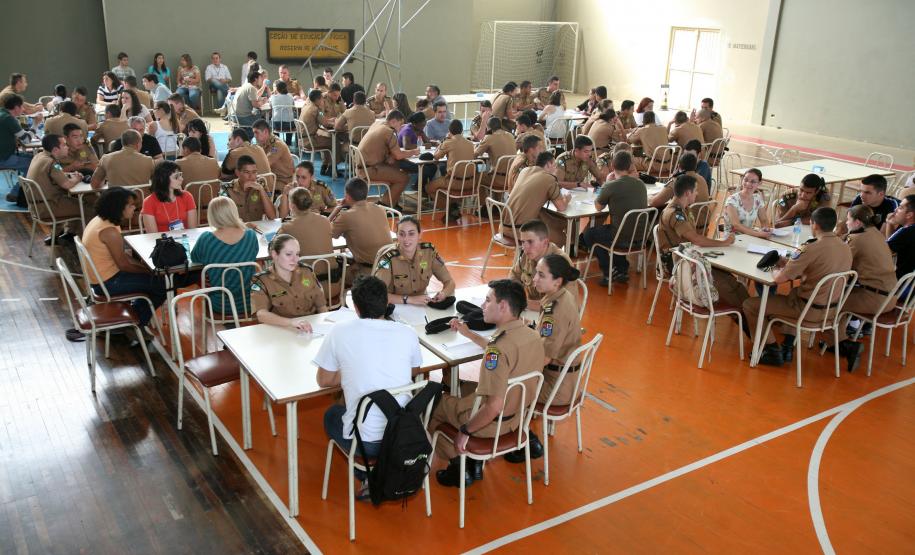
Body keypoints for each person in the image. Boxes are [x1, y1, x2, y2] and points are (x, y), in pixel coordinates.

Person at [428, 279, 545, 487]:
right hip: (517, 418)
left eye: (487, 300)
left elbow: (492, 407)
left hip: (491, 425)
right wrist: (468, 333)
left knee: (431, 404)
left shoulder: (497, 350)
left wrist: (465, 431)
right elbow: (499, 347)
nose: (483, 306)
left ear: (503, 306)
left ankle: (459, 463)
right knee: (460, 384)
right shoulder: (533, 336)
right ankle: (471, 463)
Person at [316, 275, 423, 495]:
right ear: (386, 303)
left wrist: (349, 370)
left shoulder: (339, 332)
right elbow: (414, 372)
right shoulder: (407, 333)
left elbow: (324, 380)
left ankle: (367, 476)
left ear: (355, 308)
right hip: (404, 433)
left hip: (369, 443)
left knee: (332, 414)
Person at [743, 207, 858, 369]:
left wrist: (777, 267)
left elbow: (779, 279)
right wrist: (791, 264)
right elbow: (820, 269)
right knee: (793, 293)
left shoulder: (811, 248)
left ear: (814, 225)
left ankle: (771, 351)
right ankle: (787, 347)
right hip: (832, 311)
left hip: (808, 310)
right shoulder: (845, 246)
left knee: (751, 305)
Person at [503, 254, 582, 463]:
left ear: (557, 281)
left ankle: (523, 442)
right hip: (567, 377)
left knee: (506, 384)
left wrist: (513, 359)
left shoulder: (553, 312)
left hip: (556, 387)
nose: (534, 279)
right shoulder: (563, 296)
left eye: (541, 275)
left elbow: (544, 359)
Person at [658, 175, 749, 309]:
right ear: (688, 193)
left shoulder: (684, 209)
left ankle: (746, 308)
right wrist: (724, 243)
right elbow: (696, 239)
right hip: (677, 262)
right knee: (724, 282)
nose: (697, 193)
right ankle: (743, 310)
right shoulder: (675, 213)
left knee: (726, 276)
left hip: (686, 256)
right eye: (695, 190)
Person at [82, 187, 166, 328]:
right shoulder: (109, 231)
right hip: (107, 284)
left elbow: (123, 258)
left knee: (155, 278)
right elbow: (124, 265)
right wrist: (149, 271)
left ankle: (132, 314)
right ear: (118, 208)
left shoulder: (100, 221)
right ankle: (135, 323)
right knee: (162, 285)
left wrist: (147, 268)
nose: (134, 208)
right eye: (130, 205)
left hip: (100, 278)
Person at [822, 204, 898, 350]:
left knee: (830, 302)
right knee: (842, 297)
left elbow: (839, 265)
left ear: (857, 222)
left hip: (874, 299)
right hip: (890, 296)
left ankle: (842, 345)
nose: (846, 222)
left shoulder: (857, 239)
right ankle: (838, 341)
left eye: (848, 219)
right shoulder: (874, 232)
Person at [581, 151, 649, 285]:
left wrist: (607, 184)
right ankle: (621, 268)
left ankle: (609, 271)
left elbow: (598, 207)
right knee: (618, 228)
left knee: (589, 234)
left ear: (612, 166)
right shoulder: (640, 184)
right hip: (641, 237)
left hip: (621, 238)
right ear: (630, 166)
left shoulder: (611, 186)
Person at [191, 197, 260, 315]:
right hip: (249, 302)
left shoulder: (206, 238)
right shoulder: (250, 235)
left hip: (220, 304)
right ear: (234, 213)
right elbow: (253, 253)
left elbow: (195, 258)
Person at [374, 215, 455, 305]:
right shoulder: (388, 258)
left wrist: (443, 294)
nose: (406, 239)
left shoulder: (428, 252)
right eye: (401, 234)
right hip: (396, 307)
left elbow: (450, 282)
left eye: (411, 233)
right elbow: (377, 295)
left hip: (421, 307)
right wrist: (409, 300)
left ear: (420, 234)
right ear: (397, 235)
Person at [251, 233, 327, 328]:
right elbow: (261, 314)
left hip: (311, 329)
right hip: (282, 330)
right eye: (288, 254)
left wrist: (325, 327)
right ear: (275, 254)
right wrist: (292, 323)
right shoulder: (262, 280)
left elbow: (321, 306)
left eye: (297, 254)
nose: (295, 259)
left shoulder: (306, 271)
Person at [329, 178, 392, 279]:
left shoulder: (347, 216)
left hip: (368, 274)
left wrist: (337, 209)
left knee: (333, 275)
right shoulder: (379, 209)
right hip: (389, 268)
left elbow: (326, 232)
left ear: (347, 196)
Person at [26, 133, 85, 241]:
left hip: (36, 206)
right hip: (48, 207)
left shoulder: (39, 156)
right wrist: (77, 179)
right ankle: (84, 242)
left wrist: (69, 176)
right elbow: (67, 185)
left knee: (72, 201)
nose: (67, 147)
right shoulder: (51, 163)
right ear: (55, 150)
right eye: (64, 145)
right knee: (86, 208)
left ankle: (66, 234)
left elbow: (56, 175)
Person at [355, 111, 417, 209]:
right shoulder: (388, 131)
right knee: (404, 178)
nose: (401, 127)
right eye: (400, 124)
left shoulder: (377, 123)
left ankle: (393, 201)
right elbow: (399, 155)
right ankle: (385, 205)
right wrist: (414, 152)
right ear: (393, 121)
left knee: (395, 167)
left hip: (363, 165)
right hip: (369, 170)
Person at [507, 152, 569, 246]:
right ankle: (538, 259)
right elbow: (562, 208)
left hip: (504, 225)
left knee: (554, 221)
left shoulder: (525, 171)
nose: (556, 169)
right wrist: (567, 198)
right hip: (520, 230)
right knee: (562, 238)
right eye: (555, 166)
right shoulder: (549, 178)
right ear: (548, 164)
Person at [509, 219, 574, 310]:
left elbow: (561, 305)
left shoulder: (561, 263)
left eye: (530, 242)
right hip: (532, 312)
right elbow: (515, 275)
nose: (524, 247)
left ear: (545, 242)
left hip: (555, 317)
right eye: (523, 242)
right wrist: (514, 294)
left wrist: (522, 303)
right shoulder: (528, 254)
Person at [278, 187, 337, 274]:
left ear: (292, 206)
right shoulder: (325, 220)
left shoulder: (288, 227)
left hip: (306, 281)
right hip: (332, 278)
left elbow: (272, 248)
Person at [141, 160, 197, 233]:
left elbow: (192, 230)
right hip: (162, 242)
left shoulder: (187, 196)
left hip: (185, 240)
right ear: (163, 179)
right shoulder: (149, 202)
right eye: (176, 177)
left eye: (180, 175)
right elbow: (153, 236)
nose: (181, 179)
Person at [91, 130, 155, 189]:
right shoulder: (148, 160)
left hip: (117, 200)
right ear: (138, 144)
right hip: (141, 199)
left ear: (122, 143)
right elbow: (157, 183)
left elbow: (94, 185)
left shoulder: (106, 158)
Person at [219, 155, 275, 222]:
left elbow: (272, 216)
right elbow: (222, 220)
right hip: (237, 230)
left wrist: (261, 190)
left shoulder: (261, 185)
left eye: (254, 172)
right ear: (237, 173)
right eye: (247, 172)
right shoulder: (226, 189)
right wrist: (244, 226)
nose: (251, 176)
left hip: (258, 228)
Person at [0, 95, 33, 204]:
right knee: (33, 164)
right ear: (16, 107)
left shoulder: (2, 113)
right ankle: (15, 193)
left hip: (5, 154)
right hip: (4, 157)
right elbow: (26, 140)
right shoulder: (9, 119)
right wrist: (36, 124)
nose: (23, 109)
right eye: (22, 107)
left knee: (33, 157)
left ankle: (20, 191)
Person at [298, 88, 338, 175]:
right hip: (310, 141)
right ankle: (331, 169)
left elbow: (323, 120)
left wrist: (330, 120)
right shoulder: (316, 110)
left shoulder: (307, 106)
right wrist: (336, 122)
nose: (323, 100)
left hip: (303, 139)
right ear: (318, 99)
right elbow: (325, 124)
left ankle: (324, 166)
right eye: (322, 98)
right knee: (334, 142)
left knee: (325, 139)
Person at [474, 117, 517, 199]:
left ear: (488, 127)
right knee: (489, 169)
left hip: (497, 179)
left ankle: (484, 206)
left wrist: (478, 146)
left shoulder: (489, 138)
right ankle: (496, 203)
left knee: (478, 174)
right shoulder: (510, 136)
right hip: (510, 178)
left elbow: (475, 155)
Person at [724, 168, 772, 238]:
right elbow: (736, 225)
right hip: (732, 240)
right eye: (745, 180)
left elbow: (764, 220)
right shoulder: (732, 200)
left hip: (749, 237)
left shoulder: (757, 199)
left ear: (759, 183)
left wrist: (766, 229)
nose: (748, 183)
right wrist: (759, 234)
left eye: (753, 182)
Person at [252, 119, 294, 188]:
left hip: (283, 181)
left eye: (256, 132)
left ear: (265, 132)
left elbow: (265, 164)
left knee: (252, 185)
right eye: (254, 133)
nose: (255, 136)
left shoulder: (277, 145)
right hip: (272, 176)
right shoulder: (263, 142)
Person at [886, 195, 915, 279]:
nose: (895, 210)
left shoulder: (907, 231)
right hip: (911, 286)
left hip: (899, 284)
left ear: (909, 215)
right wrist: (890, 224)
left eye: (900, 207)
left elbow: (884, 253)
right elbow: (893, 246)